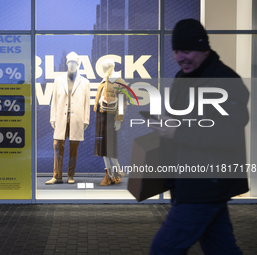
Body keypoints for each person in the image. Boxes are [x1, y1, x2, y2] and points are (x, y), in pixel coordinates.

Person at [149, 19, 249, 254]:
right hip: (187, 182)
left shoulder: (226, 82)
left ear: (204, 49)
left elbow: (229, 134)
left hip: (204, 184)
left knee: (163, 249)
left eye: (186, 50)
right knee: (221, 249)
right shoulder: (182, 78)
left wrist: (176, 130)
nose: (179, 56)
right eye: (175, 50)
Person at [46, 52, 90, 185]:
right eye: (69, 62)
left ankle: (71, 175)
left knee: (73, 148)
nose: (72, 65)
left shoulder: (85, 82)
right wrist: (53, 118)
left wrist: (86, 119)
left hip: (76, 118)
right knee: (58, 146)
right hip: (61, 117)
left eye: (74, 63)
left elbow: (87, 103)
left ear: (78, 64)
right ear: (66, 63)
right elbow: (54, 101)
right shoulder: (58, 80)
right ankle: (57, 176)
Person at [94, 59, 126, 186]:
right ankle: (108, 173)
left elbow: (123, 103)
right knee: (102, 146)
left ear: (112, 66)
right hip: (101, 116)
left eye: (106, 66)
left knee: (110, 146)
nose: (104, 69)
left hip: (112, 117)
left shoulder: (120, 82)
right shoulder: (103, 81)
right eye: (103, 67)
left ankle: (117, 171)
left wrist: (119, 119)